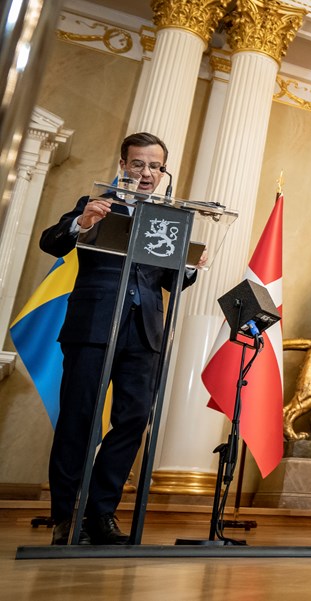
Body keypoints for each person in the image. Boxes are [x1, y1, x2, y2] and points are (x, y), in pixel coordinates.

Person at [39, 132, 200, 545]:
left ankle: (101, 513)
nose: (146, 173)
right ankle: (65, 516)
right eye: (138, 164)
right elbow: (51, 241)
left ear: (164, 171)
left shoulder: (169, 216)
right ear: (123, 165)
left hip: (144, 330)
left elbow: (169, 279)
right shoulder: (94, 203)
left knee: (133, 418)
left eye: (154, 166)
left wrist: (192, 265)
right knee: (79, 418)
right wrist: (83, 222)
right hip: (94, 323)